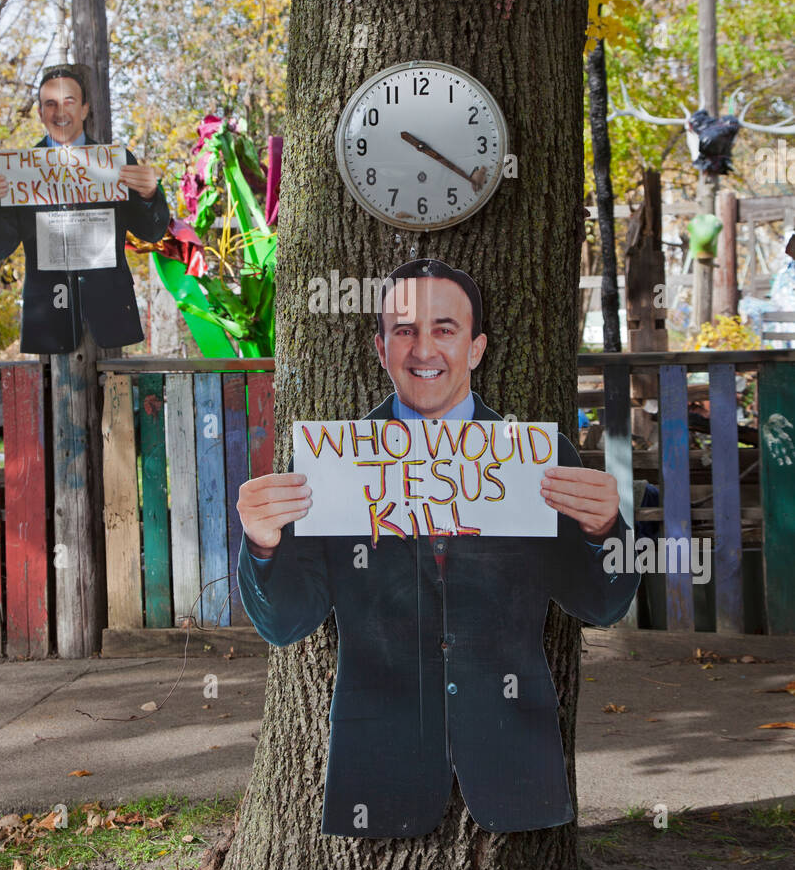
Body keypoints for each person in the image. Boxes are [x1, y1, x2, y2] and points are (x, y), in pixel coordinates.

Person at [236, 258, 640, 839]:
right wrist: (262, 545)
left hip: (513, 754)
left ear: (476, 349)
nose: (424, 349)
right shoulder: (333, 467)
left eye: (444, 330)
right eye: (405, 330)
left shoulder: (536, 460)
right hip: (379, 756)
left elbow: (600, 606)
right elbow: (284, 625)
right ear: (382, 349)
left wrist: (606, 533)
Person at [0, 67, 170, 354]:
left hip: (110, 317)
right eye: (50, 103)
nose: (59, 111)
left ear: (85, 108)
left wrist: (151, 195)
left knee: (116, 396)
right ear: (40, 112)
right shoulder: (19, 170)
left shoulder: (117, 162)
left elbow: (151, 232)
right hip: (49, 321)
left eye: (68, 101)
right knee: (52, 398)